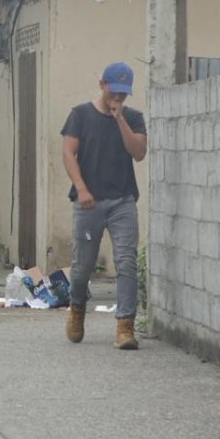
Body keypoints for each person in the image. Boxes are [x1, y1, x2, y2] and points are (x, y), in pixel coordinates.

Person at [61, 62, 147, 350]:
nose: (118, 98)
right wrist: (82, 189)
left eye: (124, 94)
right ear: (102, 85)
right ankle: (77, 308)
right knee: (83, 266)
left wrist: (120, 119)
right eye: (114, 91)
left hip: (122, 200)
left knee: (126, 262)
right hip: (89, 203)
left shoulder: (134, 118)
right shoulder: (80, 116)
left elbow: (138, 153)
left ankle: (125, 326)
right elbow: (69, 154)